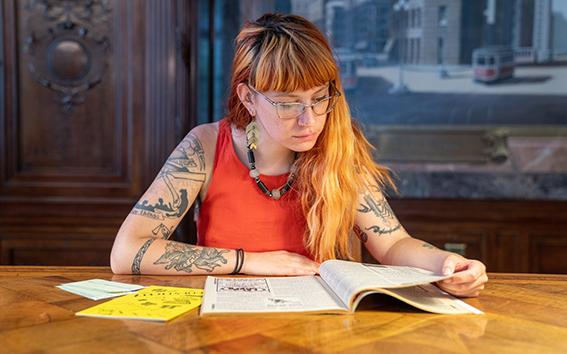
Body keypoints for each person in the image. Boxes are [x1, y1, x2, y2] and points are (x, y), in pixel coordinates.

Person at [110, 13, 487, 298]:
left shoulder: (339, 149)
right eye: (288, 103)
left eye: (319, 98)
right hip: (228, 323)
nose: (309, 120)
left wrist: (445, 264)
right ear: (248, 99)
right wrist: (253, 262)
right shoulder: (205, 146)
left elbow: (391, 244)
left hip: (322, 326)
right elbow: (126, 252)